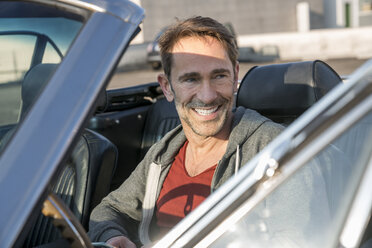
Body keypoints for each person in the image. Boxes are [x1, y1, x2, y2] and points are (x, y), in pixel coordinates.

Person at [88, 16, 284, 248]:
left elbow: (296, 239)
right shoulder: (163, 154)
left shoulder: (275, 149)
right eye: (191, 79)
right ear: (167, 87)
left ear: (235, 76)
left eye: (219, 76)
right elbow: (109, 209)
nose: (207, 95)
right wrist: (112, 236)